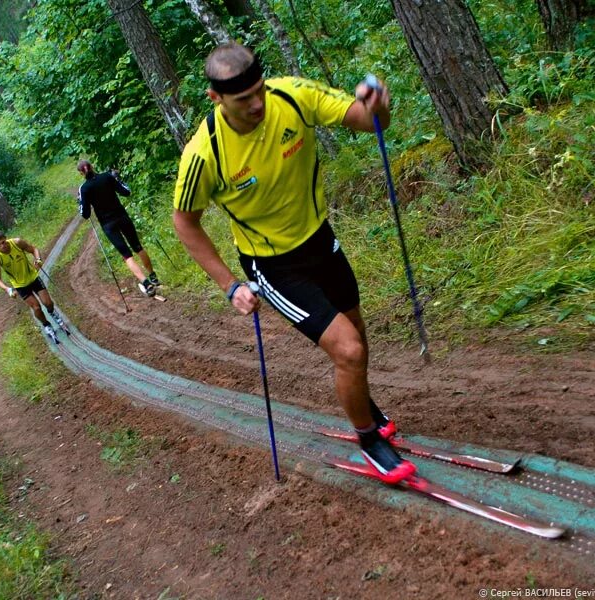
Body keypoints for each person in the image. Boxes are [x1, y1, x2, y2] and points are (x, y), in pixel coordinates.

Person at [172, 43, 415, 484]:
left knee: (358, 336)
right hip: (273, 265)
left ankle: (367, 407)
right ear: (216, 99)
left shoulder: (291, 96)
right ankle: (370, 441)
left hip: (320, 241)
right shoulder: (204, 153)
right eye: (243, 100)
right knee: (349, 349)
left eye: (259, 91)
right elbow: (185, 223)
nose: (258, 105)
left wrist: (379, 104)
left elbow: (368, 122)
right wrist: (230, 285)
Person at [77, 160, 160, 297]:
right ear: (92, 166)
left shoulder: (84, 189)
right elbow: (126, 192)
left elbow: (85, 214)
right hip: (122, 217)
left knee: (127, 255)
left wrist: (80, 202)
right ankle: (153, 277)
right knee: (138, 246)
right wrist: (118, 178)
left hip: (108, 225)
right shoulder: (107, 176)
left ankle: (147, 284)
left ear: (81, 173)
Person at [0, 230, 64, 339]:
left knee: (48, 303)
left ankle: (52, 313)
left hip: (33, 278)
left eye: (4, 242)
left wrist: (38, 259)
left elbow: (33, 249)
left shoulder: (17, 242)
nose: (3, 246)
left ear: (6, 238)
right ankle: (46, 325)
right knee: (37, 308)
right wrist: (8, 289)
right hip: (20, 285)